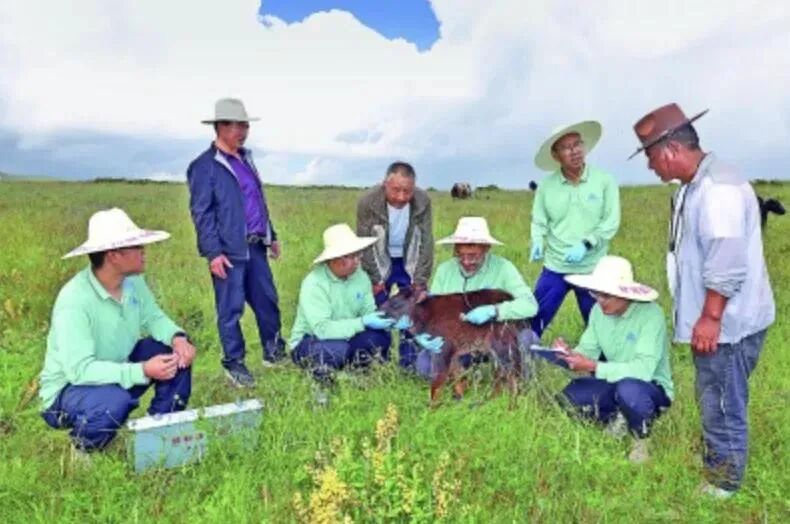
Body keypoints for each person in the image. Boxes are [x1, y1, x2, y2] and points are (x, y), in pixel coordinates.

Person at [630, 103, 775, 498]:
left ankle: (724, 483)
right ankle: (719, 458)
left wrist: (711, 317)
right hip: (720, 319)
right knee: (717, 393)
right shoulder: (695, 185)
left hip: (727, 323)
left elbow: (725, 261)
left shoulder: (718, 189)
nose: (650, 167)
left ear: (671, 150)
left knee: (722, 400)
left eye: (650, 157)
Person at [39, 208, 195, 454]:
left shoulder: (132, 283)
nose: (144, 251)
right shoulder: (75, 300)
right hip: (67, 392)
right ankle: (84, 449)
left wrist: (178, 339)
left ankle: (159, 434)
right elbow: (79, 371)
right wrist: (142, 370)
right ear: (113, 256)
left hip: (115, 369)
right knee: (113, 402)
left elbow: (154, 318)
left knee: (173, 353)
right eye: (136, 246)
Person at [186, 98, 286, 388]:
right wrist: (213, 253)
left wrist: (271, 235)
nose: (242, 132)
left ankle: (274, 352)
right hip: (228, 250)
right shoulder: (204, 166)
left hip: (256, 245)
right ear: (220, 127)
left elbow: (257, 202)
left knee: (267, 301)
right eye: (236, 126)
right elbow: (202, 213)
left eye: (245, 126)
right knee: (230, 310)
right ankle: (234, 363)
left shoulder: (246, 159)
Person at [546, 256, 673, 464]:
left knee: (629, 390)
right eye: (595, 294)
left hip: (650, 387)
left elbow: (644, 370)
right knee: (569, 397)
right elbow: (588, 350)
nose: (600, 300)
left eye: (606, 295)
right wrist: (568, 353)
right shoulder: (598, 312)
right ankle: (618, 418)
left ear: (624, 294)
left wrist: (594, 366)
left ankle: (641, 439)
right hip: (613, 381)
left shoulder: (651, 315)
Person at [414, 217, 539, 377]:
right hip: (459, 340)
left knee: (528, 340)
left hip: (497, 336)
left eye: (473, 256)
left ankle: (515, 379)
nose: (466, 261)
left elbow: (530, 305)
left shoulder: (504, 268)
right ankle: (463, 374)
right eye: (461, 255)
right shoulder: (445, 270)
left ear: (486, 249)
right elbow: (434, 313)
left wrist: (494, 311)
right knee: (425, 366)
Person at [529, 121, 620, 338]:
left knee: (600, 324)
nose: (575, 151)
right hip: (556, 265)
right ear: (556, 155)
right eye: (567, 147)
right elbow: (539, 221)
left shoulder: (604, 181)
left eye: (578, 144)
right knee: (534, 317)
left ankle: (601, 360)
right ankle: (523, 355)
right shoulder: (546, 187)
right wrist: (537, 240)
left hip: (592, 267)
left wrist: (586, 243)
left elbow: (611, 222)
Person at [290, 224, 399, 382]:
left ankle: (347, 370)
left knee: (380, 338)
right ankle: (342, 370)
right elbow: (322, 330)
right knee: (335, 350)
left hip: (349, 336)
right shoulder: (314, 283)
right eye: (350, 257)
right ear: (334, 259)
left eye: (357, 255)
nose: (357, 261)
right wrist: (363, 322)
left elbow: (368, 311)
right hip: (313, 339)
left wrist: (384, 320)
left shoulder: (361, 277)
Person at [356, 161, 433, 369]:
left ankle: (410, 361)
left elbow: (426, 241)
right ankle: (379, 358)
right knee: (379, 307)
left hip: (409, 259)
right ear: (385, 184)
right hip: (381, 258)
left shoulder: (423, 200)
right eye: (396, 190)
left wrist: (420, 280)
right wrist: (374, 278)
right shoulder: (367, 201)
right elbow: (364, 242)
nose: (401, 197)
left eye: (407, 191)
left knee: (415, 306)